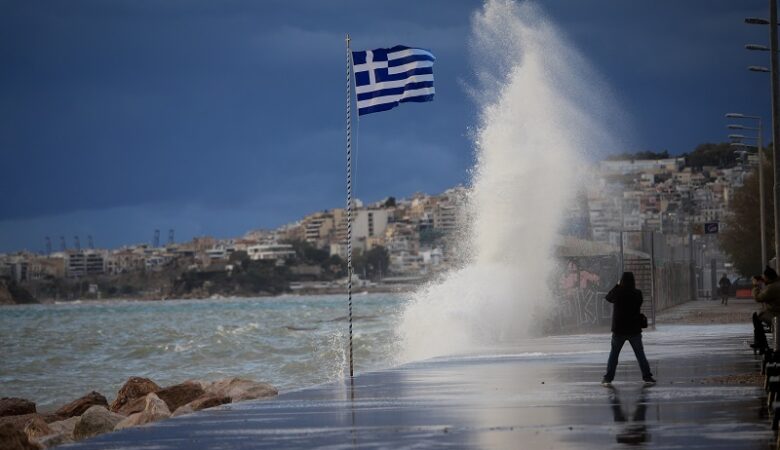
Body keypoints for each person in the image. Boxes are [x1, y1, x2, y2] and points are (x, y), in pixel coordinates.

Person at [601, 272, 655, 387]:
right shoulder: (637, 294)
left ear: (622, 281)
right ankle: (647, 376)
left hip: (619, 330)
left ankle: (608, 378)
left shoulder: (617, 293)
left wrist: (617, 285)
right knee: (640, 355)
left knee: (614, 355)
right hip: (634, 330)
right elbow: (639, 303)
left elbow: (608, 297)